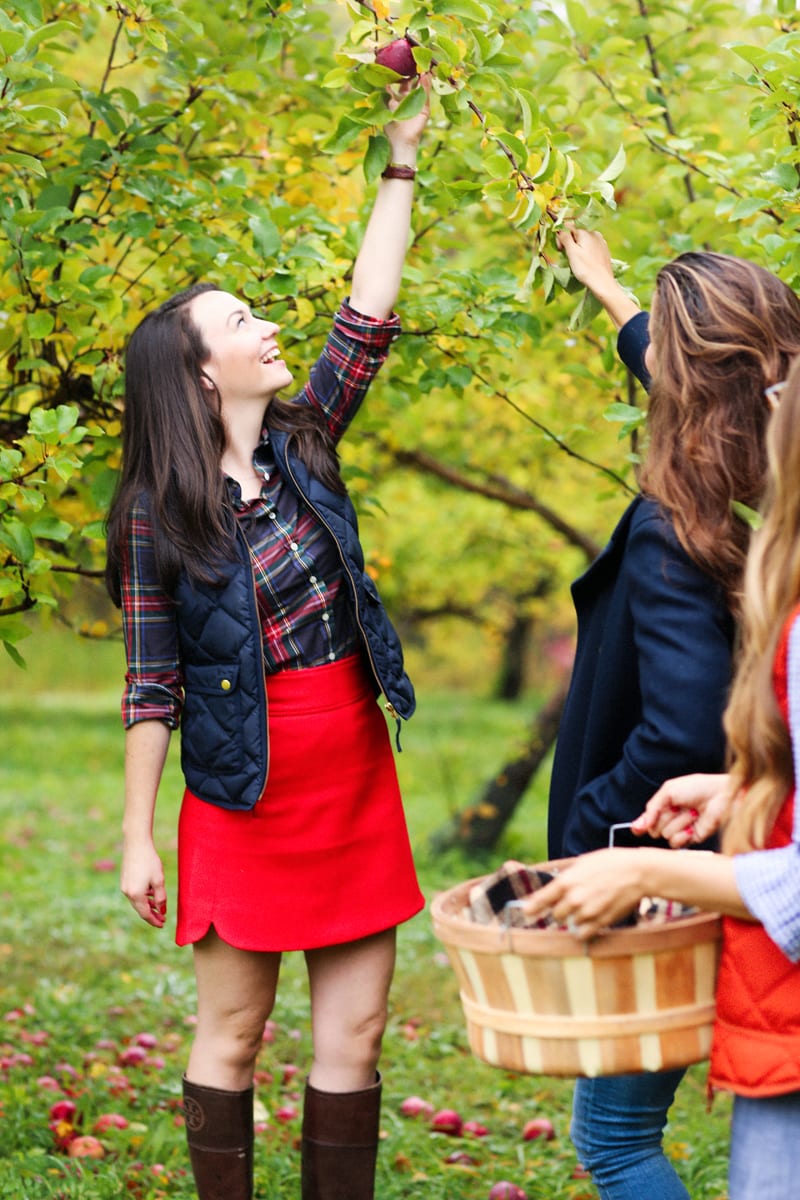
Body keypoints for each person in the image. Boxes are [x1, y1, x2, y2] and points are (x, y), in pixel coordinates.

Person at [104, 76, 431, 1200]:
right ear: (201, 373)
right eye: (243, 322)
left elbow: (365, 315)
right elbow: (153, 685)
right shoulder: (158, 514)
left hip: (347, 768)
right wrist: (139, 837)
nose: (269, 326)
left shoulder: (305, 446)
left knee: (358, 1034)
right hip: (244, 787)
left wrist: (402, 156)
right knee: (232, 1038)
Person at [538, 225, 800, 1200]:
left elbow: (678, 729)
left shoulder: (669, 532)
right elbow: (680, 368)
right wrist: (606, 290)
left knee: (612, 1140)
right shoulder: (759, 464)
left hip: (672, 859)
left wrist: (591, 831)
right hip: (726, 852)